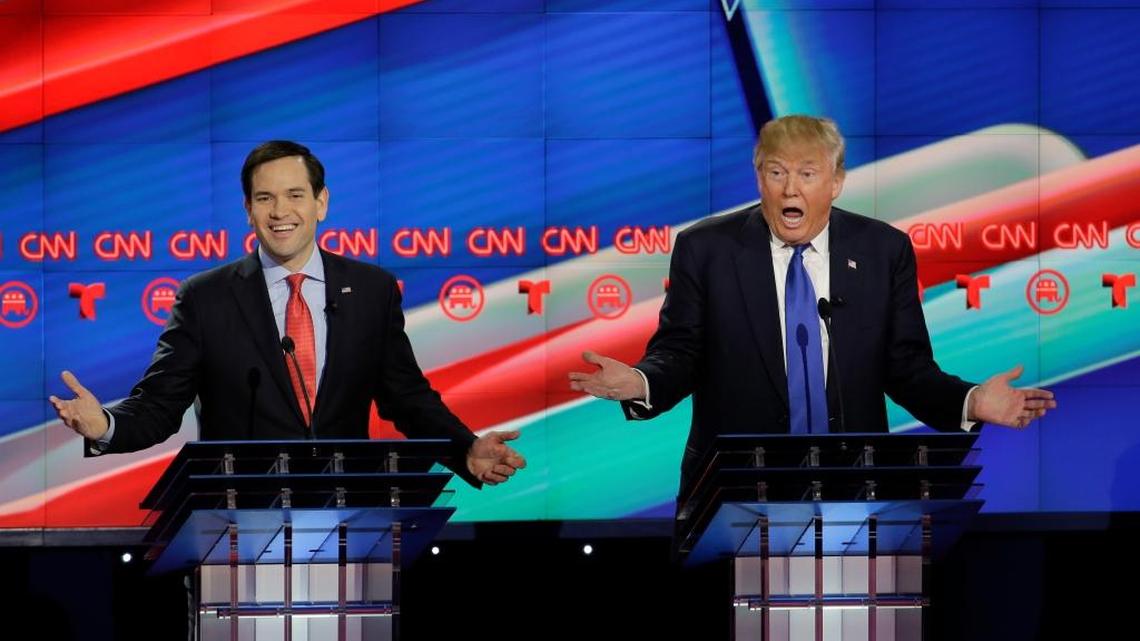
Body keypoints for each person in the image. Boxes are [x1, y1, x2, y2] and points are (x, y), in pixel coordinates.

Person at [569, 114, 1055, 503]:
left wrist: (970, 401)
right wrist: (642, 381)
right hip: (736, 491)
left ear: (836, 181)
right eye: (776, 172)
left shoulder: (883, 251)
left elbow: (906, 369)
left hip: (854, 491)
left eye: (807, 173)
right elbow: (681, 351)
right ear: (759, 177)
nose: (790, 189)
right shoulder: (707, 249)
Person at [50, 140, 525, 487]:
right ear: (248, 211)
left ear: (321, 203)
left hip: (349, 515)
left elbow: (406, 398)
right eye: (265, 198)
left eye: (295, 195)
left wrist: (464, 448)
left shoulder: (370, 289)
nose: (281, 211)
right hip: (236, 521)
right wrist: (105, 427)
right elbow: (159, 406)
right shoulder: (206, 298)